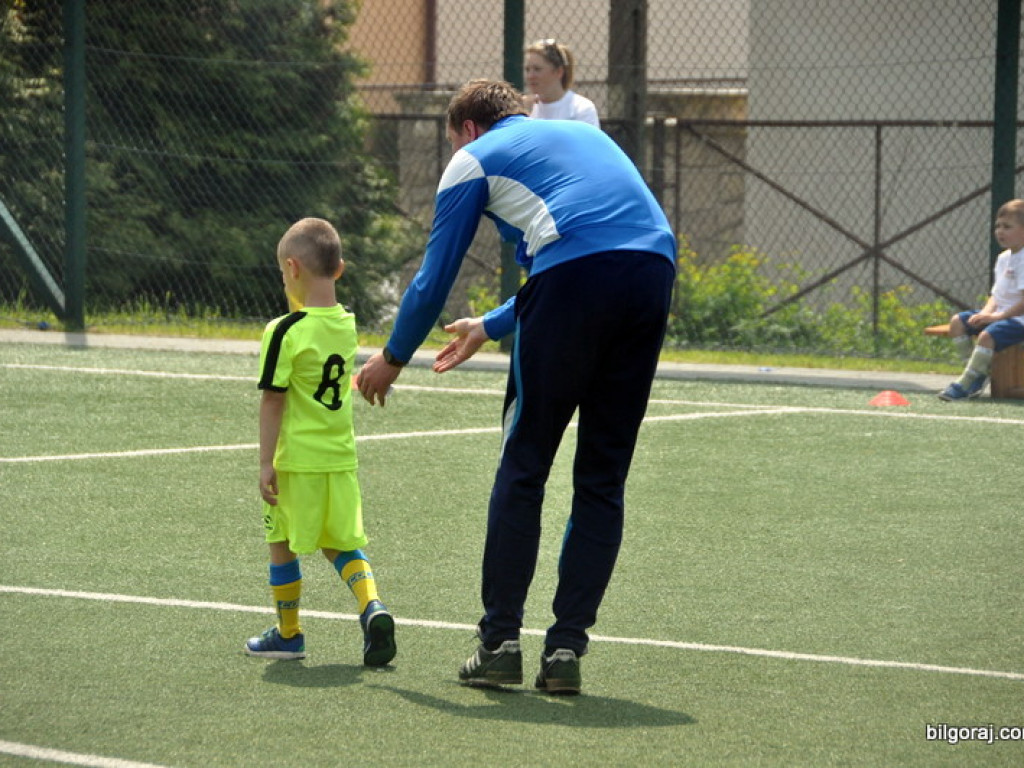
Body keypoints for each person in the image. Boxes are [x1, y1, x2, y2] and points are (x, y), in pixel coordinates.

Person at [357, 80, 676, 694]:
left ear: (467, 130)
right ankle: (564, 655)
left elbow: (433, 276)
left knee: (524, 465)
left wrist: (393, 357)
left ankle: (499, 641)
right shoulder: (582, 134)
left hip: (575, 283)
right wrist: (490, 324)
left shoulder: (472, 157)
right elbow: (594, 242)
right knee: (603, 478)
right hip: (653, 273)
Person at [245, 217, 396, 666]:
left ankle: (289, 635)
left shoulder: (284, 330)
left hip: (298, 461)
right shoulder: (346, 324)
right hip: (340, 458)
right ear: (340, 269)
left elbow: (274, 401)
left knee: (282, 541)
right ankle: (372, 605)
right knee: (342, 542)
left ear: (292, 268)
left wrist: (265, 464)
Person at [938, 199, 1024, 401]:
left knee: (987, 335)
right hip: (1000, 316)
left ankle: (965, 384)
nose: (1000, 231)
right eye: (998, 226)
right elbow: (996, 295)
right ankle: (975, 376)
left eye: (1007, 227)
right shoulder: (1003, 258)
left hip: (1019, 319)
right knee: (958, 322)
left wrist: (997, 318)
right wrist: (986, 313)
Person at [524, 38, 599, 127]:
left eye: (537, 69)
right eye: (528, 70)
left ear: (558, 72)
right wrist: (523, 116)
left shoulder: (581, 109)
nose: (530, 76)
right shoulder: (525, 109)